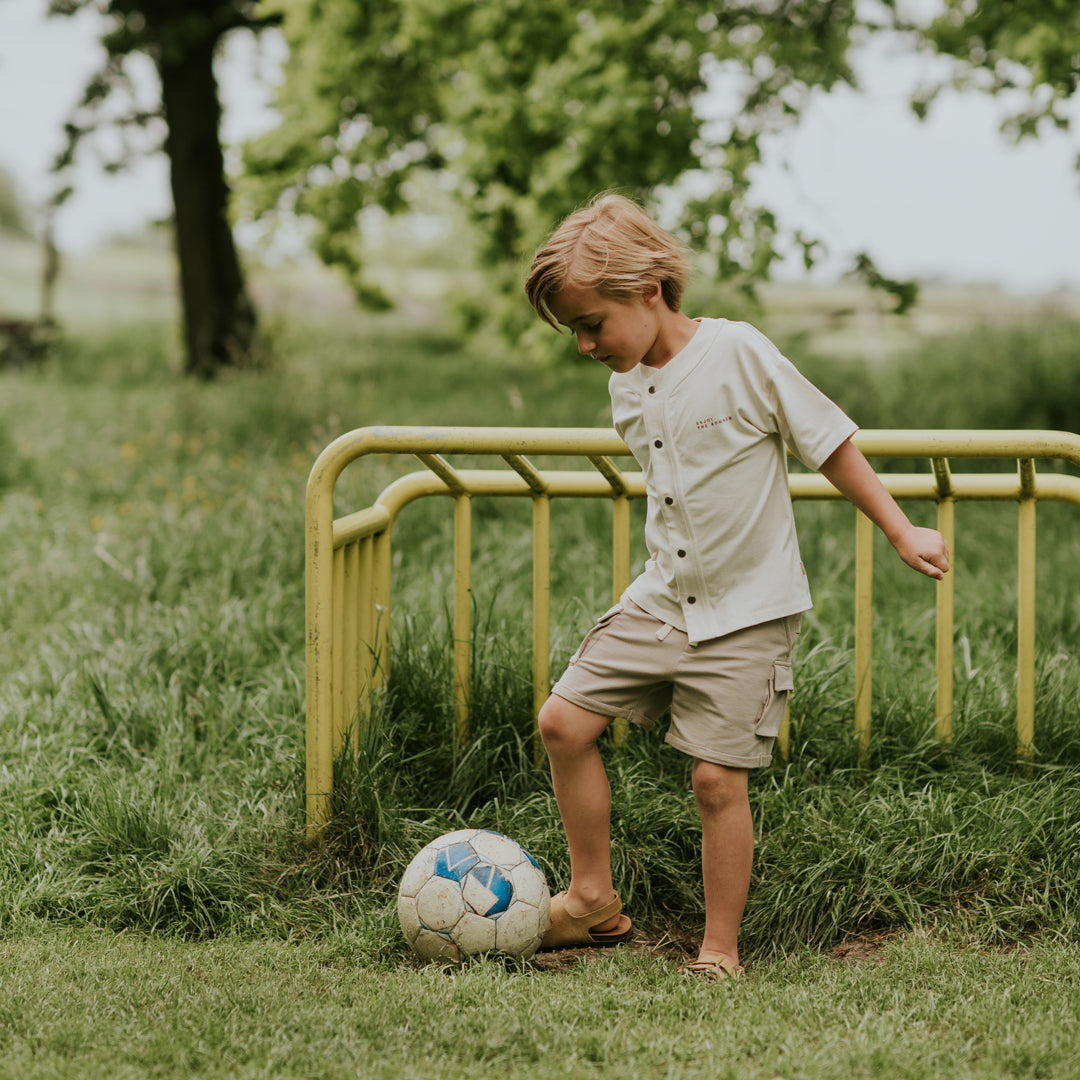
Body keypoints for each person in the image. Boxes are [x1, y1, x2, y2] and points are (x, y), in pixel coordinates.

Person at [523, 193, 950, 980]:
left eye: (591, 324)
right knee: (562, 722)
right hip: (662, 600)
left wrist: (900, 528)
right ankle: (591, 898)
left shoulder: (740, 354)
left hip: (750, 614)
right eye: (575, 330)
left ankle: (719, 951)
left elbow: (828, 440)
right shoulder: (625, 386)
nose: (584, 344)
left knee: (718, 781)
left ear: (648, 291)